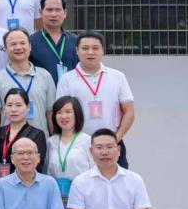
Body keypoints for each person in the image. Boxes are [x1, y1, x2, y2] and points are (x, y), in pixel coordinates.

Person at [56, 31, 136, 168]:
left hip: (111, 143)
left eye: (95, 48)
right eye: (85, 48)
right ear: (77, 51)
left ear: (103, 50)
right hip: (79, 146)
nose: (90, 52)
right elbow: (62, 114)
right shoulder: (66, 79)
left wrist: (116, 138)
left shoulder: (118, 77)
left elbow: (129, 111)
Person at [0, 27, 56, 134]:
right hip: (9, 140)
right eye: (13, 44)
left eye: (22, 43)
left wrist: (54, 140)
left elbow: (50, 112)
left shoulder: (45, 76)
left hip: (40, 139)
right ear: (5, 49)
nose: (18, 47)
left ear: (30, 46)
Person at [0, 88, 48, 178]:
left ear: (28, 107)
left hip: (26, 183)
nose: (13, 109)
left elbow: (37, 165)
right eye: (9, 105)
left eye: (18, 105)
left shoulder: (37, 135)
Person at [30, 0, 79, 85]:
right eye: (49, 10)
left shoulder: (77, 41)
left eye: (58, 10)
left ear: (65, 13)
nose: (53, 14)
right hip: (43, 91)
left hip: (71, 92)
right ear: (40, 12)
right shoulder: (30, 42)